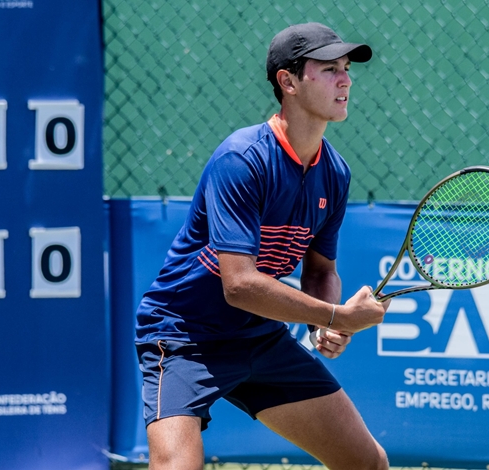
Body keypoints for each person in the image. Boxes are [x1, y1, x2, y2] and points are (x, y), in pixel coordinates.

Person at [135, 22, 391, 470]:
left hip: (259, 336)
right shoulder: (241, 159)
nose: (345, 79)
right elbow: (239, 284)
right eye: (329, 69)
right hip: (184, 337)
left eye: (346, 68)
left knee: (366, 463)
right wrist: (337, 315)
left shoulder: (336, 174)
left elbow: (321, 271)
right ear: (288, 82)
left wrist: (323, 325)